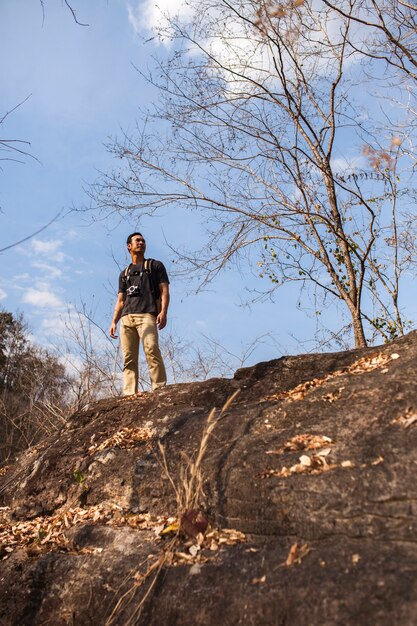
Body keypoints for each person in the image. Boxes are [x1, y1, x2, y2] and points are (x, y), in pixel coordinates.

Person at [109, 232, 170, 395]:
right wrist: (114, 321)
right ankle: (129, 393)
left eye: (143, 240)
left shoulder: (155, 266)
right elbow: (121, 300)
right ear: (129, 246)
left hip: (147, 315)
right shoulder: (124, 273)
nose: (141, 242)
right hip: (126, 318)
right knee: (128, 358)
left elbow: (164, 290)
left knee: (151, 350)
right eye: (137, 240)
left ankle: (159, 388)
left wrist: (163, 311)